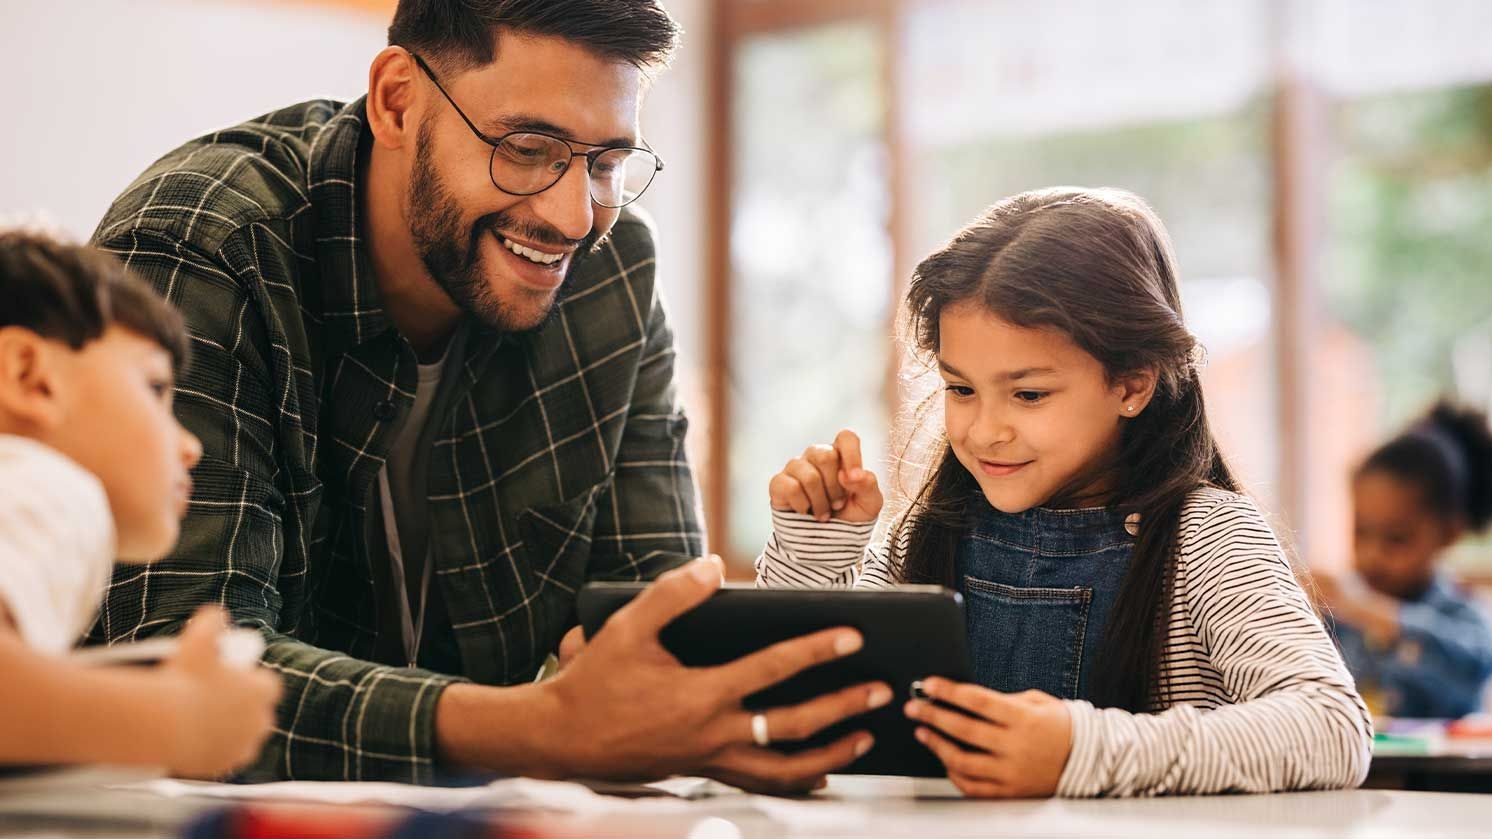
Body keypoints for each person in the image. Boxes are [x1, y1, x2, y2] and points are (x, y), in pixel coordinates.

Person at [87, 0, 885, 790]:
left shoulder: (611, 275)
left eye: (606, 163)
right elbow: (178, 665)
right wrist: (541, 729)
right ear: (397, 99)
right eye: (530, 147)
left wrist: (699, 710)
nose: (573, 216)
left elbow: (653, 629)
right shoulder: (203, 245)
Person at [755, 187, 1373, 797]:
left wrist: (1078, 752)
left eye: (1028, 394)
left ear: (1132, 385)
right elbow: (793, 716)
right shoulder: (928, 534)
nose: (985, 431)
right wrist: (816, 553)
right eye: (961, 389)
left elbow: (1333, 726)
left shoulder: (1207, 539)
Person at [0, 229, 280, 778]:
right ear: (30, 377)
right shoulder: (45, 485)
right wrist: (180, 718)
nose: (190, 445)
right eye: (155, 388)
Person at [1318, 401, 1492, 719]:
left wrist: (1373, 613)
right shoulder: (1339, 619)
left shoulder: (1467, 619)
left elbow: (1471, 671)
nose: (1372, 555)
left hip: (1444, 769)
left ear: (1449, 534)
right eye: (1361, 532)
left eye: (1396, 539)